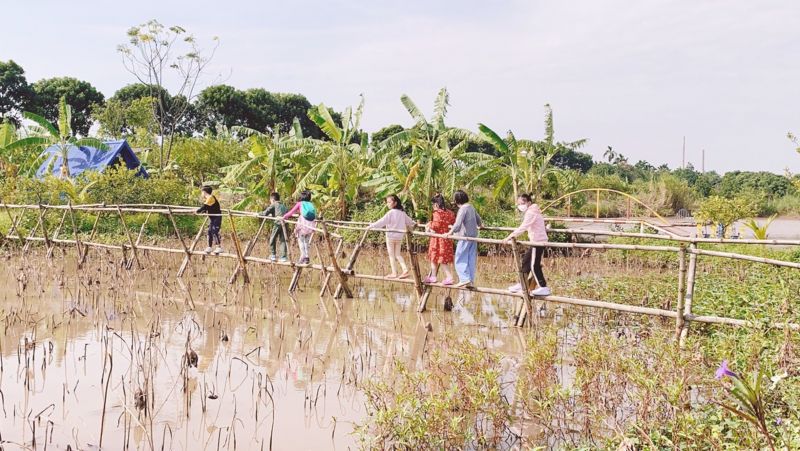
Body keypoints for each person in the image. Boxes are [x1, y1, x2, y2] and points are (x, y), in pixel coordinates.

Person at [502, 193, 551, 296]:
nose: (520, 205)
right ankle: (522, 284)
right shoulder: (533, 211)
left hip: (538, 242)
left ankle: (543, 287)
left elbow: (523, 227)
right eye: (519, 203)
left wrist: (510, 236)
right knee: (525, 262)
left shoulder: (531, 213)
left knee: (534, 265)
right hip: (536, 241)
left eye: (522, 203)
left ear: (529, 202)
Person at [367, 194, 416, 279]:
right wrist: (415, 224)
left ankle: (394, 273)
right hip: (399, 237)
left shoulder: (390, 213)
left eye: (390, 202)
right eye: (387, 202)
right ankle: (405, 270)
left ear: (395, 203)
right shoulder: (402, 213)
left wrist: (371, 226)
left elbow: (381, 222)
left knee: (391, 255)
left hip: (390, 237)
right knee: (398, 254)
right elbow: (410, 222)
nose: (388, 204)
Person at [447, 190, 482, 288]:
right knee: (470, 259)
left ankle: (464, 279)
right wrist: (480, 225)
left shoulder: (462, 209)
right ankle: (470, 281)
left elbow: (457, 225)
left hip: (464, 237)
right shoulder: (471, 207)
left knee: (460, 258)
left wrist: (449, 232)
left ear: (457, 200)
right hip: (473, 238)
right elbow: (478, 219)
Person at [423, 193, 455, 285]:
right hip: (446, 238)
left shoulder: (437, 213)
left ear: (436, 204)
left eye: (433, 205)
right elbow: (453, 224)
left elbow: (436, 225)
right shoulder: (450, 213)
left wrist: (429, 225)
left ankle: (449, 277)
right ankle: (433, 276)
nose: (432, 207)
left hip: (437, 239)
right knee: (440, 258)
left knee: (438, 257)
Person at [282, 190, 317, 265]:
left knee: (301, 240)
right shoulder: (311, 204)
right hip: (310, 224)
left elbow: (291, 212)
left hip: (303, 224)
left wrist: (284, 217)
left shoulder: (300, 203)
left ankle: (303, 256)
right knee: (307, 241)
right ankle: (306, 257)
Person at [261, 192, 289, 263]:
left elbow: (265, 213)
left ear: (272, 199)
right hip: (285, 223)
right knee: (283, 240)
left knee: (272, 239)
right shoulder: (283, 206)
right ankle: (283, 257)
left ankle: (273, 255)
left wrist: (258, 214)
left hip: (278, 223)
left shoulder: (274, 204)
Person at [196, 186, 222, 254]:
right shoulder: (208, 199)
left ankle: (218, 247)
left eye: (201, 192)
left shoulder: (211, 197)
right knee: (209, 232)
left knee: (214, 231)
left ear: (204, 192)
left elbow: (204, 207)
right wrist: (200, 211)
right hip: (212, 218)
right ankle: (209, 247)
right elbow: (206, 209)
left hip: (217, 217)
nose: (201, 194)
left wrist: (197, 211)